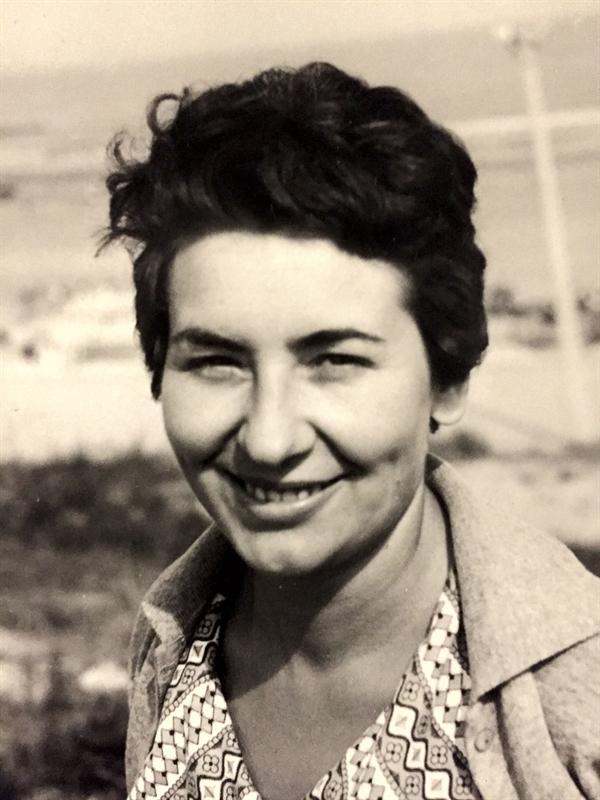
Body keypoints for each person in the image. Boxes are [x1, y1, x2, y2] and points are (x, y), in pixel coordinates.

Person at [103, 63, 599, 800]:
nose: (269, 441)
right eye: (216, 362)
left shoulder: (579, 698)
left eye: (334, 360)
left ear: (448, 378)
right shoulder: (171, 642)